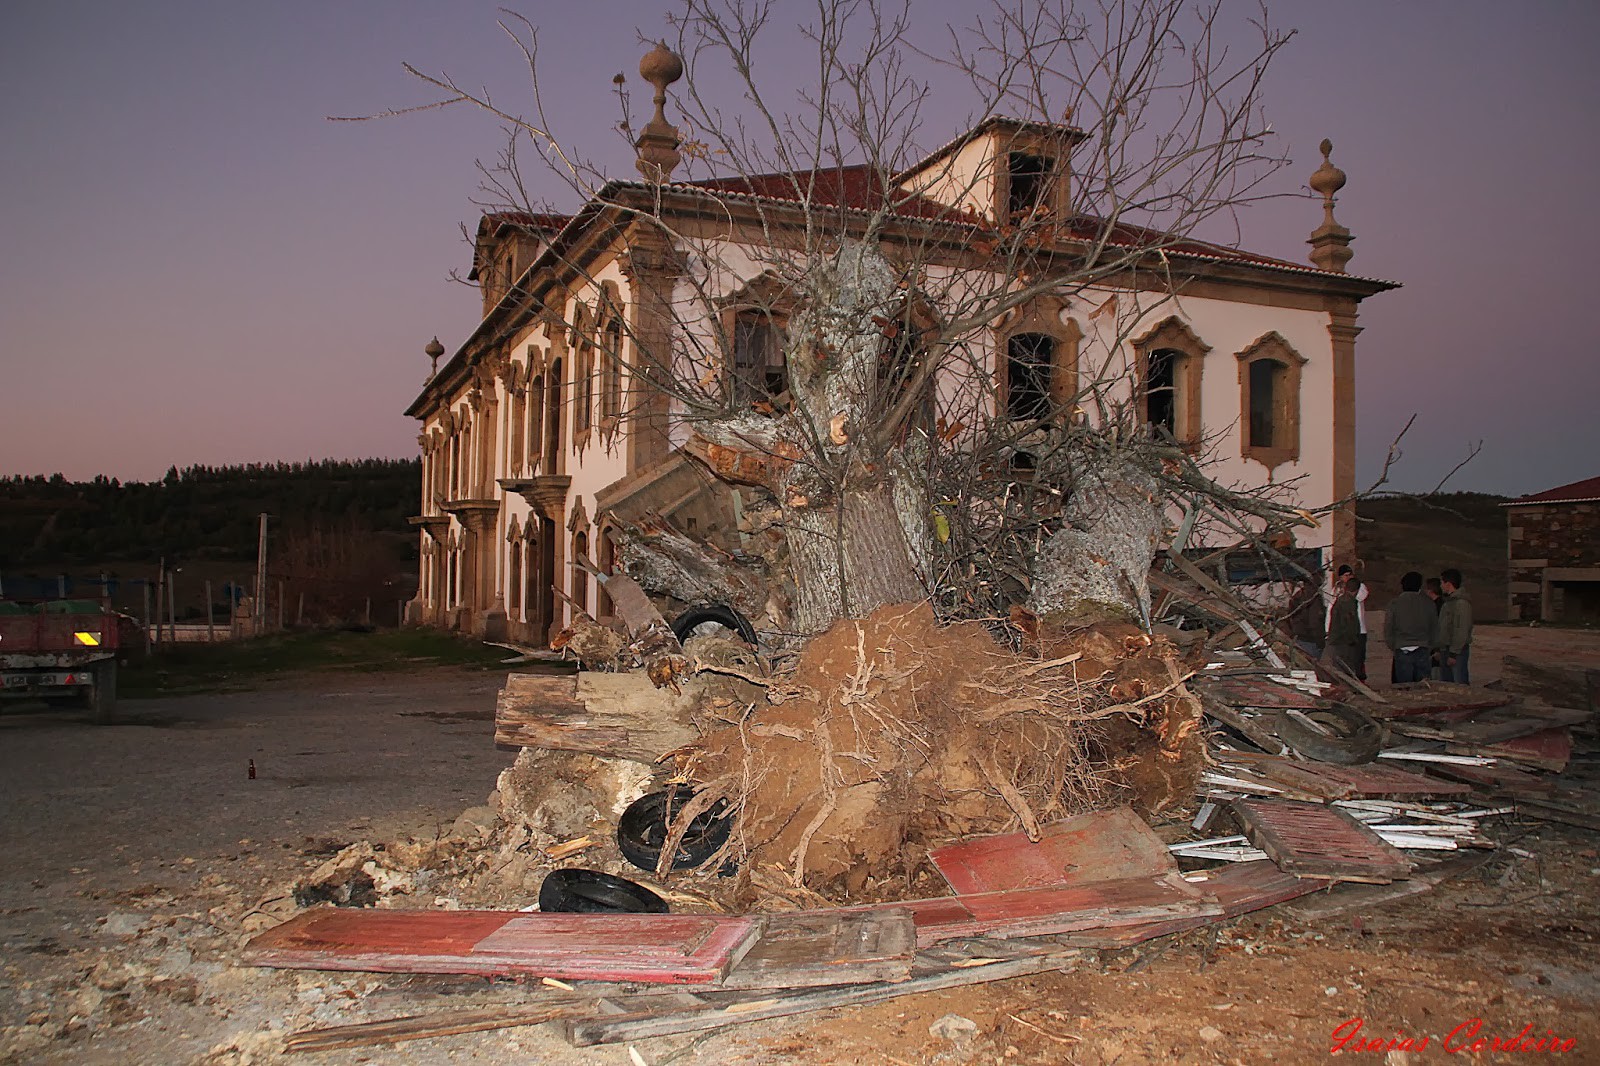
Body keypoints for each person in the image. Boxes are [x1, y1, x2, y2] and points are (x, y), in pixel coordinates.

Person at [1385, 571, 1438, 684]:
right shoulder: (1428, 603)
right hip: (1423, 647)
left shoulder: (1395, 603)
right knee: (1423, 687)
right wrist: (1430, 646)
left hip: (1402, 647)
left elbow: (1388, 628)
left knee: (1404, 688)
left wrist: (1394, 645)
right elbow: (1434, 627)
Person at [1436, 568, 1473, 684]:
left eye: (1442, 582)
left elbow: (1461, 630)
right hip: (1446, 649)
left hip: (1456, 652)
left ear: (1448, 583)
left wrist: (1454, 653)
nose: (1441, 586)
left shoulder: (1461, 604)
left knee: (1459, 685)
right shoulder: (1448, 603)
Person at [1326, 574, 1362, 676]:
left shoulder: (1340, 600)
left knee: (1338, 670)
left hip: (1337, 640)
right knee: (1345, 671)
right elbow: (1349, 624)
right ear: (1357, 590)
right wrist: (1353, 640)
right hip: (1343, 642)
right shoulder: (1349, 603)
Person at [1286, 575, 1325, 661]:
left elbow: (1289, 616)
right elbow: (1315, 622)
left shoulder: (1297, 596)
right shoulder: (1314, 598)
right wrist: (1320, 641)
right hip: (1310, 640)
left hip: (1298, 637)